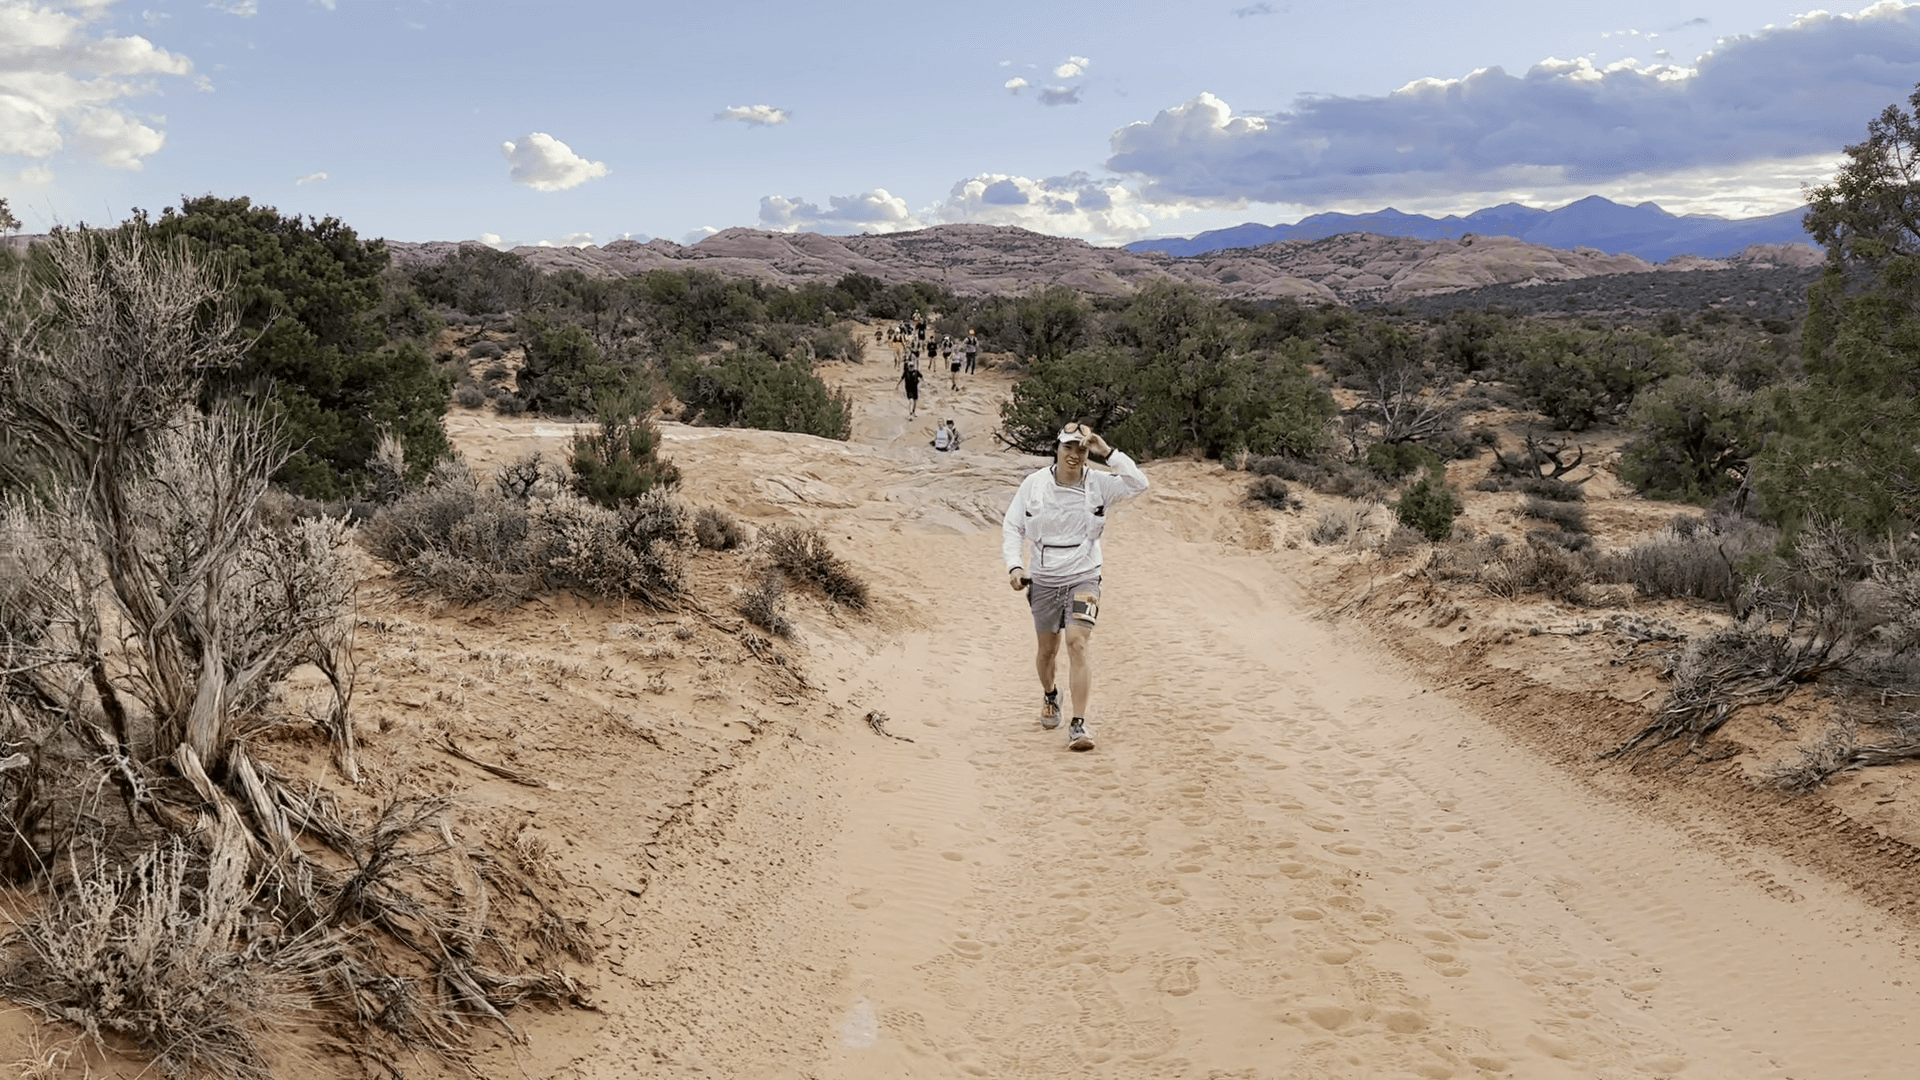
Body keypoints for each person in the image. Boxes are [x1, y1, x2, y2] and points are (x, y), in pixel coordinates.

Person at [1001, 423, 1149, 751]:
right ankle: (1052, 695)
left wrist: (1106, 451)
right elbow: (1012, 525)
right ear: (1057, 447)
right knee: (1047, 652)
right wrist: (1014, 564)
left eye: (1082, 449)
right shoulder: (1034, 485)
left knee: (1077, 643)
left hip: (1084, 574)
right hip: (1043, 578)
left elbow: (1139, 483)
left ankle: (1079, 724)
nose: (1075, 455)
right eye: (1069, 447)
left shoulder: (1099, 483)